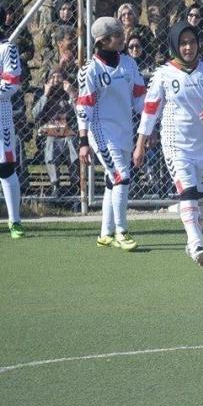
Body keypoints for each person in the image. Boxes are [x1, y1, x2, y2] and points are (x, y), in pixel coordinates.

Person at [134, 21, 203, 265]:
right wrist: (141, 142)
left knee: (202, 197)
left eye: (192, 42)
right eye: (183, 43)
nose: (188, 47)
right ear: (175, 45)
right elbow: (150, 110)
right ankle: (195, 243)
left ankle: (195, 238)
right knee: (188, 192)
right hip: (176, 144)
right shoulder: (164, 74)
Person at [77, 17, 147, 249]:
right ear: (104, 41)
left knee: (112, 181)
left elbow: (139, 99)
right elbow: (83, 107)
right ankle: (121, 232)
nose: (123, 37)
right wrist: (83, 140)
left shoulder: (129, 64)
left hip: (124, 131)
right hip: (101, 133)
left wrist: (150, 123)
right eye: (117, 35)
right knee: (121, 177)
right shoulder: (91, 69)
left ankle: (105, 233)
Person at [33, 67, 78, 197]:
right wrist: (46, 95)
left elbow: (80, 112)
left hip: (68, 132)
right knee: (51, 142)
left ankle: (75, 184)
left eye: (59, 77)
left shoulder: (69, 93)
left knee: (71, 141)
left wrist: (71, 93)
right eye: (52, 77)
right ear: (47, 80)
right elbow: (35, 114)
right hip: (48, 133)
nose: (56, 80)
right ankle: (55, 185)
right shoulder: (41, 94)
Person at [0, 3, 23, 238]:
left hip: (1, 114)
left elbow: (12, 83)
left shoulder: (8, 49)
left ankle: (14, 221)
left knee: (5, 167)